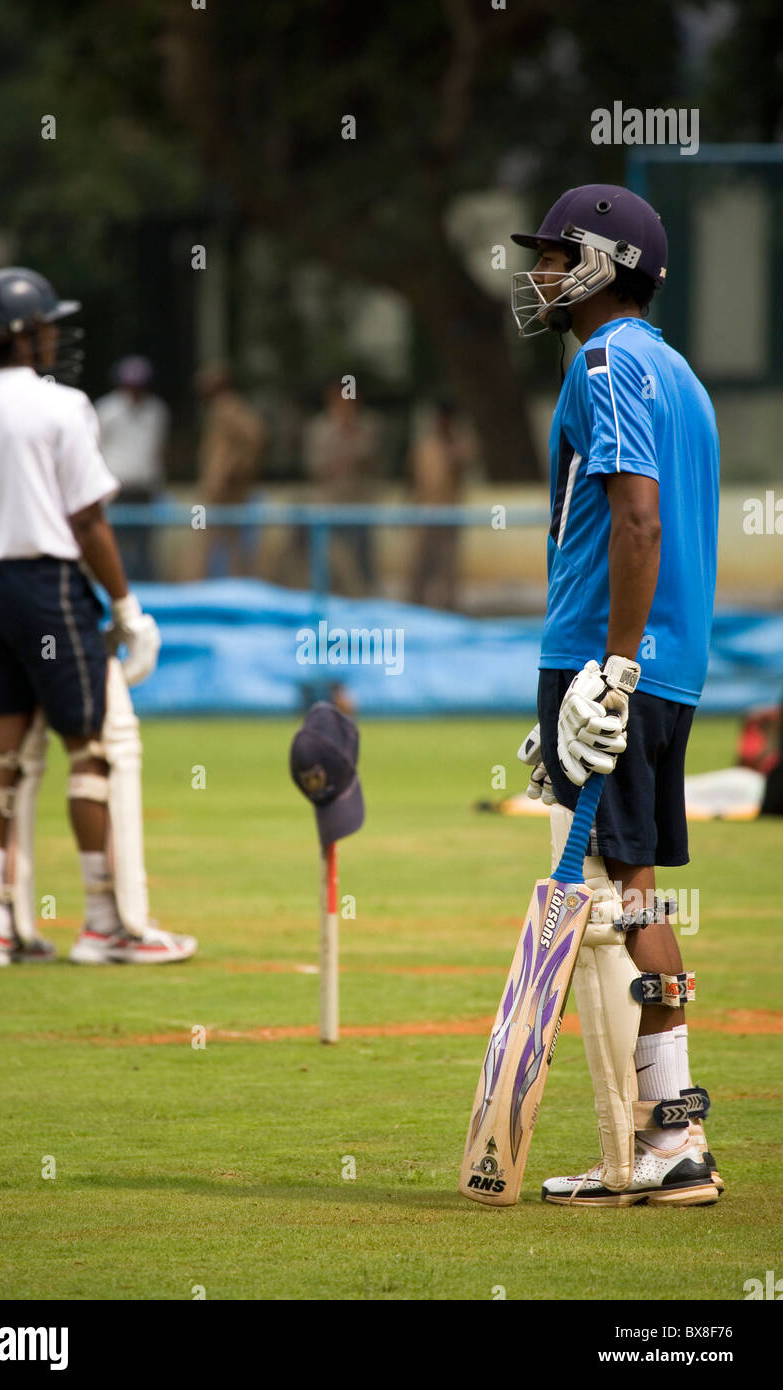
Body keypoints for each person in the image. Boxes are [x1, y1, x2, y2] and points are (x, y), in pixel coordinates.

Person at [509, 185, 721, 1205]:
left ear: (599, 262)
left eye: (555, 255)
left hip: (613, 660)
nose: (541, 273)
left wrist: (608, 667)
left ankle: (664, 1141)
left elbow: (634, 520)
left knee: (614, 900)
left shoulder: (605, 361)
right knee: (634, 886)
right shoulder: (677, 371)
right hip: (653, 662)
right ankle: (663, 1135)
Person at [0, 266, 196, 967]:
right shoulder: (60, 405)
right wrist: (128, 607)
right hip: (43, 583)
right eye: (46, 326)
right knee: (90, 750)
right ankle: (103, 923)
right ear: (23, 334)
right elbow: (88, 519)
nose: (53, 338)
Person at [94, 356, 169, 581]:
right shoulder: (106, 410)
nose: (135, 391)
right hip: (116, 489)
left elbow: (157, 448)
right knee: (113, 544)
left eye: (139, 386)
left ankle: (146, 589)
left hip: (145, 488)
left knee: (144, 546)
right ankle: (116, 586)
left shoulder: (157, 410)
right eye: (130, 386)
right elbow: (94, 447)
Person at [303, 383, 381, 595]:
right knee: (332, 560)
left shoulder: (366, 427)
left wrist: (352, 438)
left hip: (358, 506)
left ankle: (360, 598)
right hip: (329, 507)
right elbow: (316, 466)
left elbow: (371, 460)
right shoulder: (319, 428)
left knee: (362, 559)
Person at [195, 363, 267, 578]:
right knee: (215, 541)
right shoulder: (219, 408)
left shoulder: (227, 406)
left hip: (226, 492)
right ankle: (215, 586)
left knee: (216, 542)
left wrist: (235, 469)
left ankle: (211, 588)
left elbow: (257, 434)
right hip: (217, 489)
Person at [408, 396, 471, 609]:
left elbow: (465, 461)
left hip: (449, 519)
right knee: (419, 571)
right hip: (424, 518)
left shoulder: (460, 446)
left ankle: (448, 612)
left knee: (447, 573)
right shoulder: (425, 446)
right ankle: (413, 610)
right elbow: (417, 481)